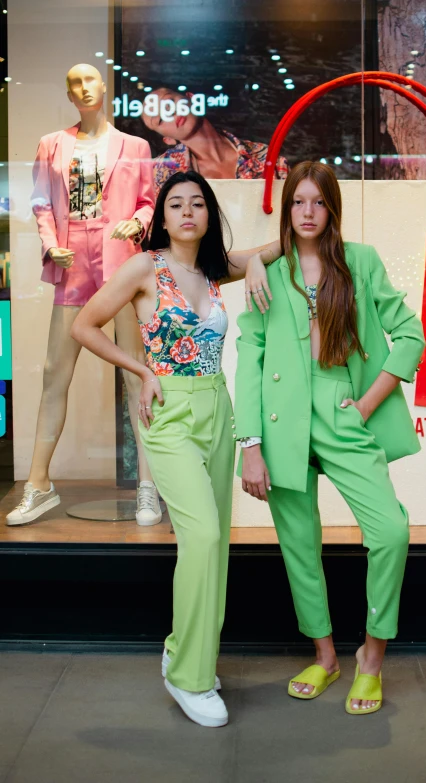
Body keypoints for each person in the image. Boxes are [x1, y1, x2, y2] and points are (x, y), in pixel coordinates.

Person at [70, 170, 279, 728]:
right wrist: (140, 370)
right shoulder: (146, 267)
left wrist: (257, 259)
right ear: (161, 217)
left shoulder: (214, 270)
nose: (187, 212)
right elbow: (85, 326)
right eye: (176, 205)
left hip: (219, 409)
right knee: (203, 535)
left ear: (209, 214)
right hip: (169, 415)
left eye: (197, 204)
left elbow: (274, 247)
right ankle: (186, 676)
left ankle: (191, 654)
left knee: (216, 546)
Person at [235, 161, 425, 715]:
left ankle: (371, 654)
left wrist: (367, 403)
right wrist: (250, 446)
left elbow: (409, 333)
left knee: (390, 530)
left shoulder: (360, 262)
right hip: (279, 421)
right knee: (299, 544)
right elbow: (252, 360)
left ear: (332, 208)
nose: (308, 212)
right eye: (298, 202)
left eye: (319, 202)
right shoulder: (268, 273)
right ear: (287, 208)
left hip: (343, 411)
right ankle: (324, 655)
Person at [6, 63, 160, 528]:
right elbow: (38, 199)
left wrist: (140, 220)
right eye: (73, 82)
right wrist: (51, 240)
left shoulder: (135, 147)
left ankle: (148, 487)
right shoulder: (52, 144)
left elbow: (148, 198)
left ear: (104, 86)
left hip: (119, 261)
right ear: (68, 93)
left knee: (137, 372)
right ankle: (38, 483)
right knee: (56, 371)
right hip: (72, 258)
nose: (82, 88)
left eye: (89, 79)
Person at [140, 86, 288, 193]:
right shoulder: (162, 173)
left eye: (169, 103)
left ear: (192, 98)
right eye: (159, 120)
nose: (169, 113)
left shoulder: (264, 156)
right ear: (168, 140)